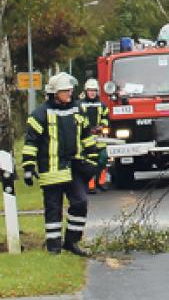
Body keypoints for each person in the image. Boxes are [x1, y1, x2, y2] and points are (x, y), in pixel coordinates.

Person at [21, 72, 100, 255]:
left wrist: (93, 159)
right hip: (51, 170)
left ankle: (72, 242)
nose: (70, 93)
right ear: (54, 93)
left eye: (70, 90)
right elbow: (31, 142)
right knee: (53, 210)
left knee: (80, 202)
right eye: (66, 90)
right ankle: (54, 248)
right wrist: (28, 167)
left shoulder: (77, 110)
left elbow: (87, 136)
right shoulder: (39, 115)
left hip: (74, 169)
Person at [78, 79, 109, 193]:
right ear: (86, 91)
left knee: (103, 159)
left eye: (94, 91)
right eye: (90, 90)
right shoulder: (80, 105)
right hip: (86, 139)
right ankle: (90, 185)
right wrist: (87, 129)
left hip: (99, 138)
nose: (92, 93)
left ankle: (101, 182)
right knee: (89, 160)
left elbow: (106, 118)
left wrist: (102, 126)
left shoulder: (102, 105)